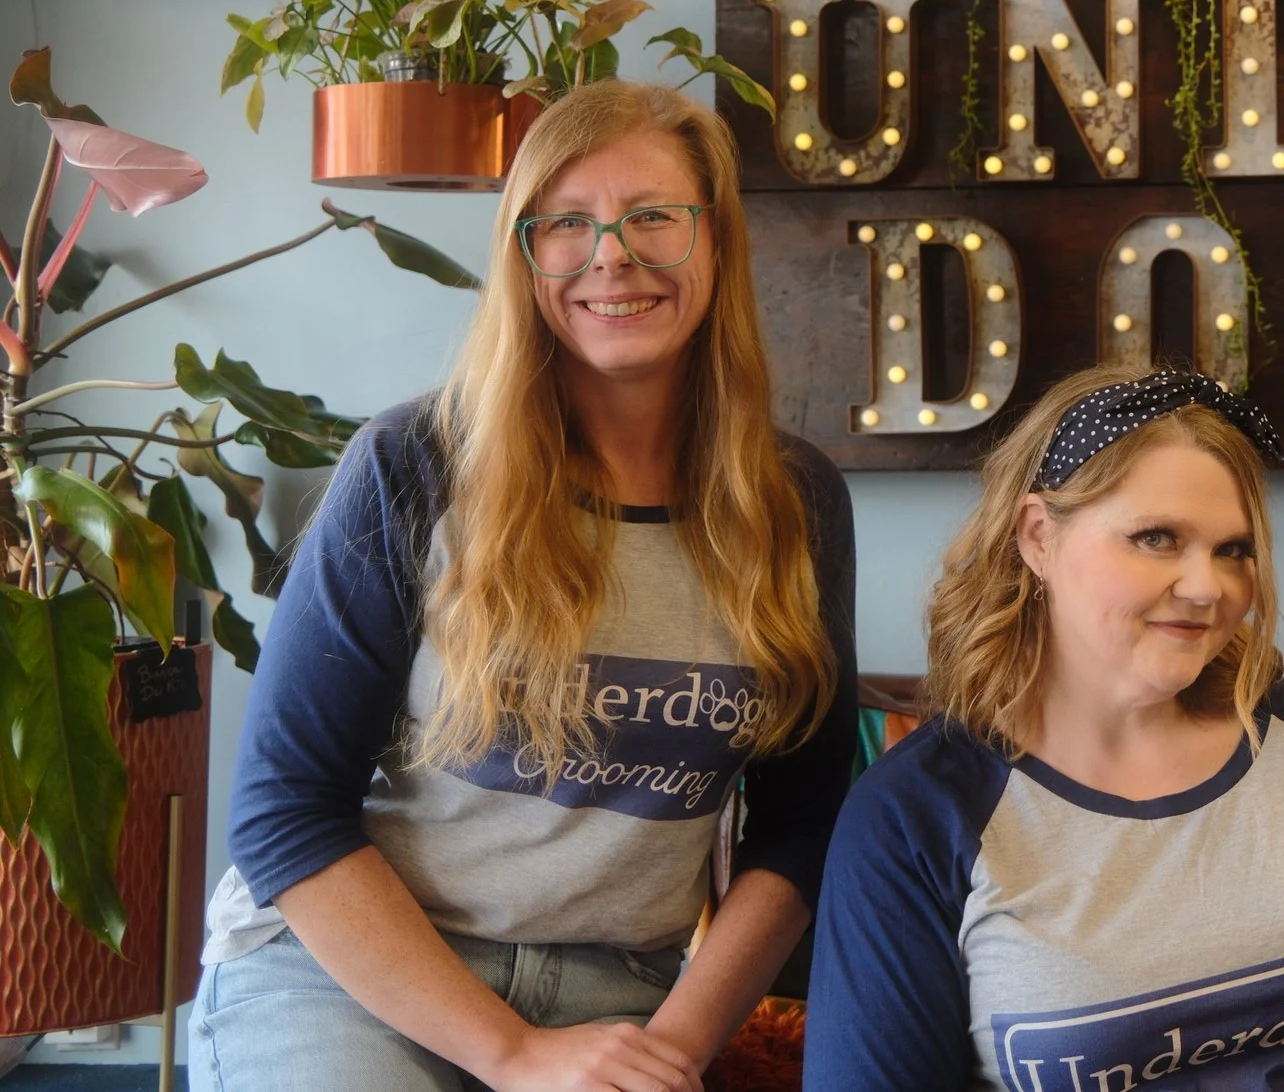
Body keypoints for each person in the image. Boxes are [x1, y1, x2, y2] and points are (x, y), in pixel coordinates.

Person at [193, 81, 858, 1092]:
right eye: (567, 223)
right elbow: (283, 809)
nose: (612, 255)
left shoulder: (794, 501)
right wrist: (511, 1054)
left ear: (717, 240)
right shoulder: (414, 463)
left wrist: (675, 1049)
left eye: (653, 216)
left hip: (619, 990)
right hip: (353, 976)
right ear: (525, 256)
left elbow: (801, 824)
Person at [804, 367, 1284, 1092]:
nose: (1208, 587)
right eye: (1156, 538)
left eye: (1233, 549)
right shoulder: (917, 815)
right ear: (1038, 537)